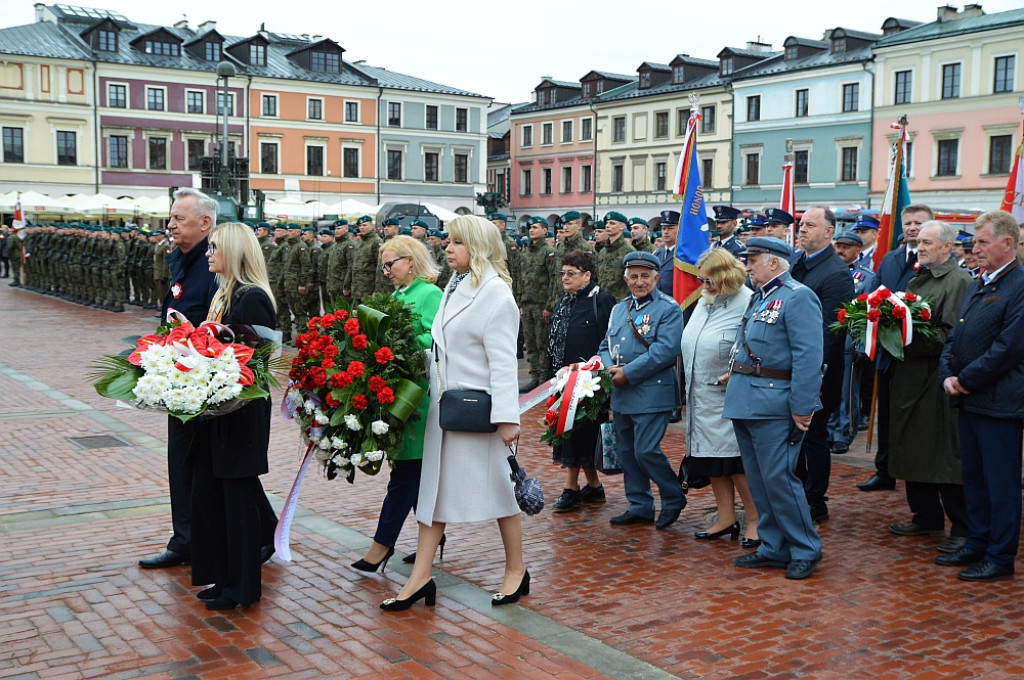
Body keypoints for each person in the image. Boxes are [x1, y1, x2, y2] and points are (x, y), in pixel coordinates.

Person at [382, 215, 525, 611]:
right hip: (445, 411)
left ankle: (516, 569)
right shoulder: (456, 284)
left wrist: (508, 417)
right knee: (432, 496)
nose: (448, 247)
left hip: (478, 414)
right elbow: (441, 346)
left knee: (501, 492)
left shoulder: (496, 294)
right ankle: (420, 577)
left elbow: (503, 361)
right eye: (448, 240)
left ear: (478, 247)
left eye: (458, 242)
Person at [189, 221, 280, 610]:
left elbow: (250, 360)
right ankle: (225, 579)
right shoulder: (225, 294)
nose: (209, 254)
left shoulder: (251, 297)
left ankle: (243, 588)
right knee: (218, 498)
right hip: (223, 411)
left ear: (235, 252)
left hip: (242, 413)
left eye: (215, 248)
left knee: (238, 502)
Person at [722, 237, 824, 579]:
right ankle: (773, 546)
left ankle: (804, 548)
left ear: (775, 262)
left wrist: (802, 406)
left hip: (775, 403)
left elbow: (809, 358)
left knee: (780, 478)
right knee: (759, 480)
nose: (747, 266)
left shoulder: (798, 297)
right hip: (746, 399)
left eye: (753, 260)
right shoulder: (761, 297)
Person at [938, 210, 1024, 581]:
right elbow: (956, 334)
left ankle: (1000, 556)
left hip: (1000, 402)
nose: (976, 248)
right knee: (972, 476)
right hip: (969, 398)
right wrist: (947, 373)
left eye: (983, 242)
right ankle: (977, 540)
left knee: (1000, 482)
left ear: (1008, 243)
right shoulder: (979, 282)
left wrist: (967, 378)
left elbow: (1009, 347)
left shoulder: (1019, 284)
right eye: (975, 242)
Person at [139, 188, 221, 570]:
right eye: (170, 218)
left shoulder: (212, 267)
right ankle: (187, 538)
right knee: (187, 464)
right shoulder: (184, 261)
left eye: (178, 218)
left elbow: (216, 327)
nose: (170, 225)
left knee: (203, 464)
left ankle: (191, 540)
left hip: (202, 384)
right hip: (180, 379)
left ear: (205, 223)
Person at [351, 235, 443, 572]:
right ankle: (433, 535)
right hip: (396, 393)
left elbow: (434, 339)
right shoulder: (397, 296)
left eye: (392, 263)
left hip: (417, 396)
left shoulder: (430, 293)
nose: (387, 271)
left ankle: (382, 545)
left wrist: (394, 338)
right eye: (384, 265)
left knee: (406, 473)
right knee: (411, 471)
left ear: (412, 260)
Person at [888, 221, 972, 554]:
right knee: (912, 447)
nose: (919, 246)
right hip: (910, 377)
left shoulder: (959, 282)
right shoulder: (918, 277)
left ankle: (962, 527)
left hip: (935, 380)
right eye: (918, 241)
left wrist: (903, 336)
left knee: (942, 455)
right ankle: (925, 515)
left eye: (927, 242)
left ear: (947, 247)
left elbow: (952, 337)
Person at [598, 251, 686, 529]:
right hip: (621, 393)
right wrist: (609, 366)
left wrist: (629, 372)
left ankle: (673, 497)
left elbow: (666, 351)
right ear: (626, 279)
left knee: (645, 450)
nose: (639, 282)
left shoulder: (668, 308)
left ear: (657, 278)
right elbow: (605, 346)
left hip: (651, 392)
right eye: (634, 276)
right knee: (627, 452)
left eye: (645, 276)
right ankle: (640, 505)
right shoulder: (619, 309)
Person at [681, 248, 759, 546]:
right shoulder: (706, 299)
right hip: (701, 397)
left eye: (709, 280)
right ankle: (726, 518)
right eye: (701, 280)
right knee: (714, 464)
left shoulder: (747, 302)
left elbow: (755, 348)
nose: (704, 285)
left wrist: (737, 373)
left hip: (729, 395)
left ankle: (754, 520)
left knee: (737, 466)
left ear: (726, 277)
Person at [857, 204, 931, 492]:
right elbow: (872, 292)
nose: (912, 228)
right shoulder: (890, 258)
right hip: (887, 352)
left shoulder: (933, 259)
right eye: (908, 223)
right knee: (885, 415)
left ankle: (916, 476)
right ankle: (884, 471)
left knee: (912, 421)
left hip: (917, 354)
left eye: (919, 223)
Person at [788, 206, 854, 522]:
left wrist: (809, 374)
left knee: (813, 435)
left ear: (829, 232)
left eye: (810, 225)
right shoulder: (795, 263)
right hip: (787, 367)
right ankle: (795, 490)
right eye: (801, 224)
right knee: (793, 434)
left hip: (817, 372)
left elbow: (830, 335)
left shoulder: (836, 273)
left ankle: (815, 500)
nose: (802, 229)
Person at [546, 249, 615, 512]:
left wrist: (596, 369)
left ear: (587, 275)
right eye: (563, 273)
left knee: (577, 433)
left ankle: (571, 488)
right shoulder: (565, 300)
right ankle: (594, 487)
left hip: (590, 381)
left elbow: (609, 339)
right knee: (569, 431)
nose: (565, 278)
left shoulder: (602, 300)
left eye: (571, 274)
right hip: (563, 379)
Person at [519, 216, 559, 393]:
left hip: (541, 304)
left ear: (544, 230)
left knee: (542, 344)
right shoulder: (525, 252)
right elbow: (521, 278)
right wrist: (520, 302)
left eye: (535, 227)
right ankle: (534, 377)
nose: (532, 230)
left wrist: (549, 306)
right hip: (527, 304)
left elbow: (554, 280)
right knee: (531, 343)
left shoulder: (548, 252)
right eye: (530, 227)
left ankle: (543, 380)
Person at [595, 212, 634, 301]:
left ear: (622, 227)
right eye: (607, 223)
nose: (608, 226)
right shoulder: (603, 252)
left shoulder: (629, 252)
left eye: (612, 223)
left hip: (619, 302)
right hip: (601, 302)